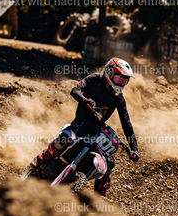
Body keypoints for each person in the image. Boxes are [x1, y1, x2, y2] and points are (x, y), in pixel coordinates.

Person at [31, 57, 139, 196]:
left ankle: (99, 195)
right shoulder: (94, 79)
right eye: (119, 79)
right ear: (109, 73)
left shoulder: (119, 98)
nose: (121, 84)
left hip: (96, 130)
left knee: (110, 160)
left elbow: (126, 123)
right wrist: (85, 101)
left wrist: (134, 149)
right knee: (66, 137)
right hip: (80, 124)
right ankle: (42, 159)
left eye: (124, 81)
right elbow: (75, 90)